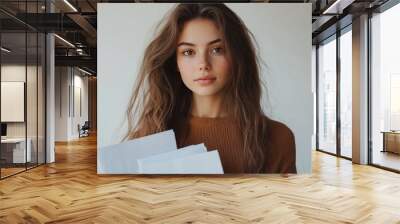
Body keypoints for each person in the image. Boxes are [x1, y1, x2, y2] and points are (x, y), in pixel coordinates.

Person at [124, 3, 296, 173]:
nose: (203, 64)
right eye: (188, 52)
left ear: (237, 56)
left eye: (217, 50)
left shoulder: (278, 138)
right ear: (174, 62)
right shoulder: (146, 139)